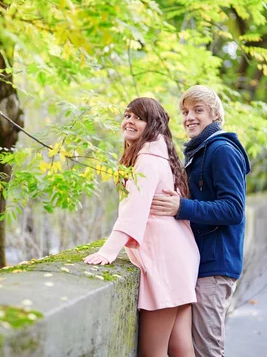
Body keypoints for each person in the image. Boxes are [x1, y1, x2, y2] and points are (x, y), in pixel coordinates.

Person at [84, 97, 200, 357]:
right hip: (180, 256)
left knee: (153, 351)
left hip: (165, 260)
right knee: (180, 346)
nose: (129, 121)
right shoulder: (162, 157)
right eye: (126, 115)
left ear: (152, 125)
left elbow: (133, 211)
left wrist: (108, 251)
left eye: (138, 117)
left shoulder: (147, 159)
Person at [151, 85, 251, 357]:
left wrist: (181, 206)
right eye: (185, 112)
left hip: (215, 266)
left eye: (198, 110)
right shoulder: (200, 151)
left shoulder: (221, 150)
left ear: (215, 115)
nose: (189, 117)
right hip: (200, 263)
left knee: (207, 350)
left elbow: (233, 209)